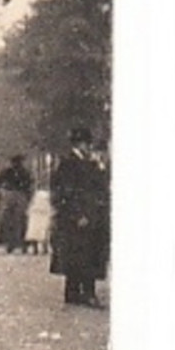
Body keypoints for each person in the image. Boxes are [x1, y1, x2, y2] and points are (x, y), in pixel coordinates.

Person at [51, 127, 109, 307]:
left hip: (92, 215)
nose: (88, 148)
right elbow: (65, 193)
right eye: (86, 144)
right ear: (80, 144)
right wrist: (77, 214)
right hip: (77, 217)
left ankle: (77, 292)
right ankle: (81, 293)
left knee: (87, 253)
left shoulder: (89, 162)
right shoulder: (68, 163)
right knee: (79, 254)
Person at [0, 154, 34, 252]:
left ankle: (13, 243)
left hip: (14, 195)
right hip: (18, 195)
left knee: (13, 219)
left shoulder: (11, 172)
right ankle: (17, 243)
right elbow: (29, 185)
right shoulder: (22, 172)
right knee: (17, 219)